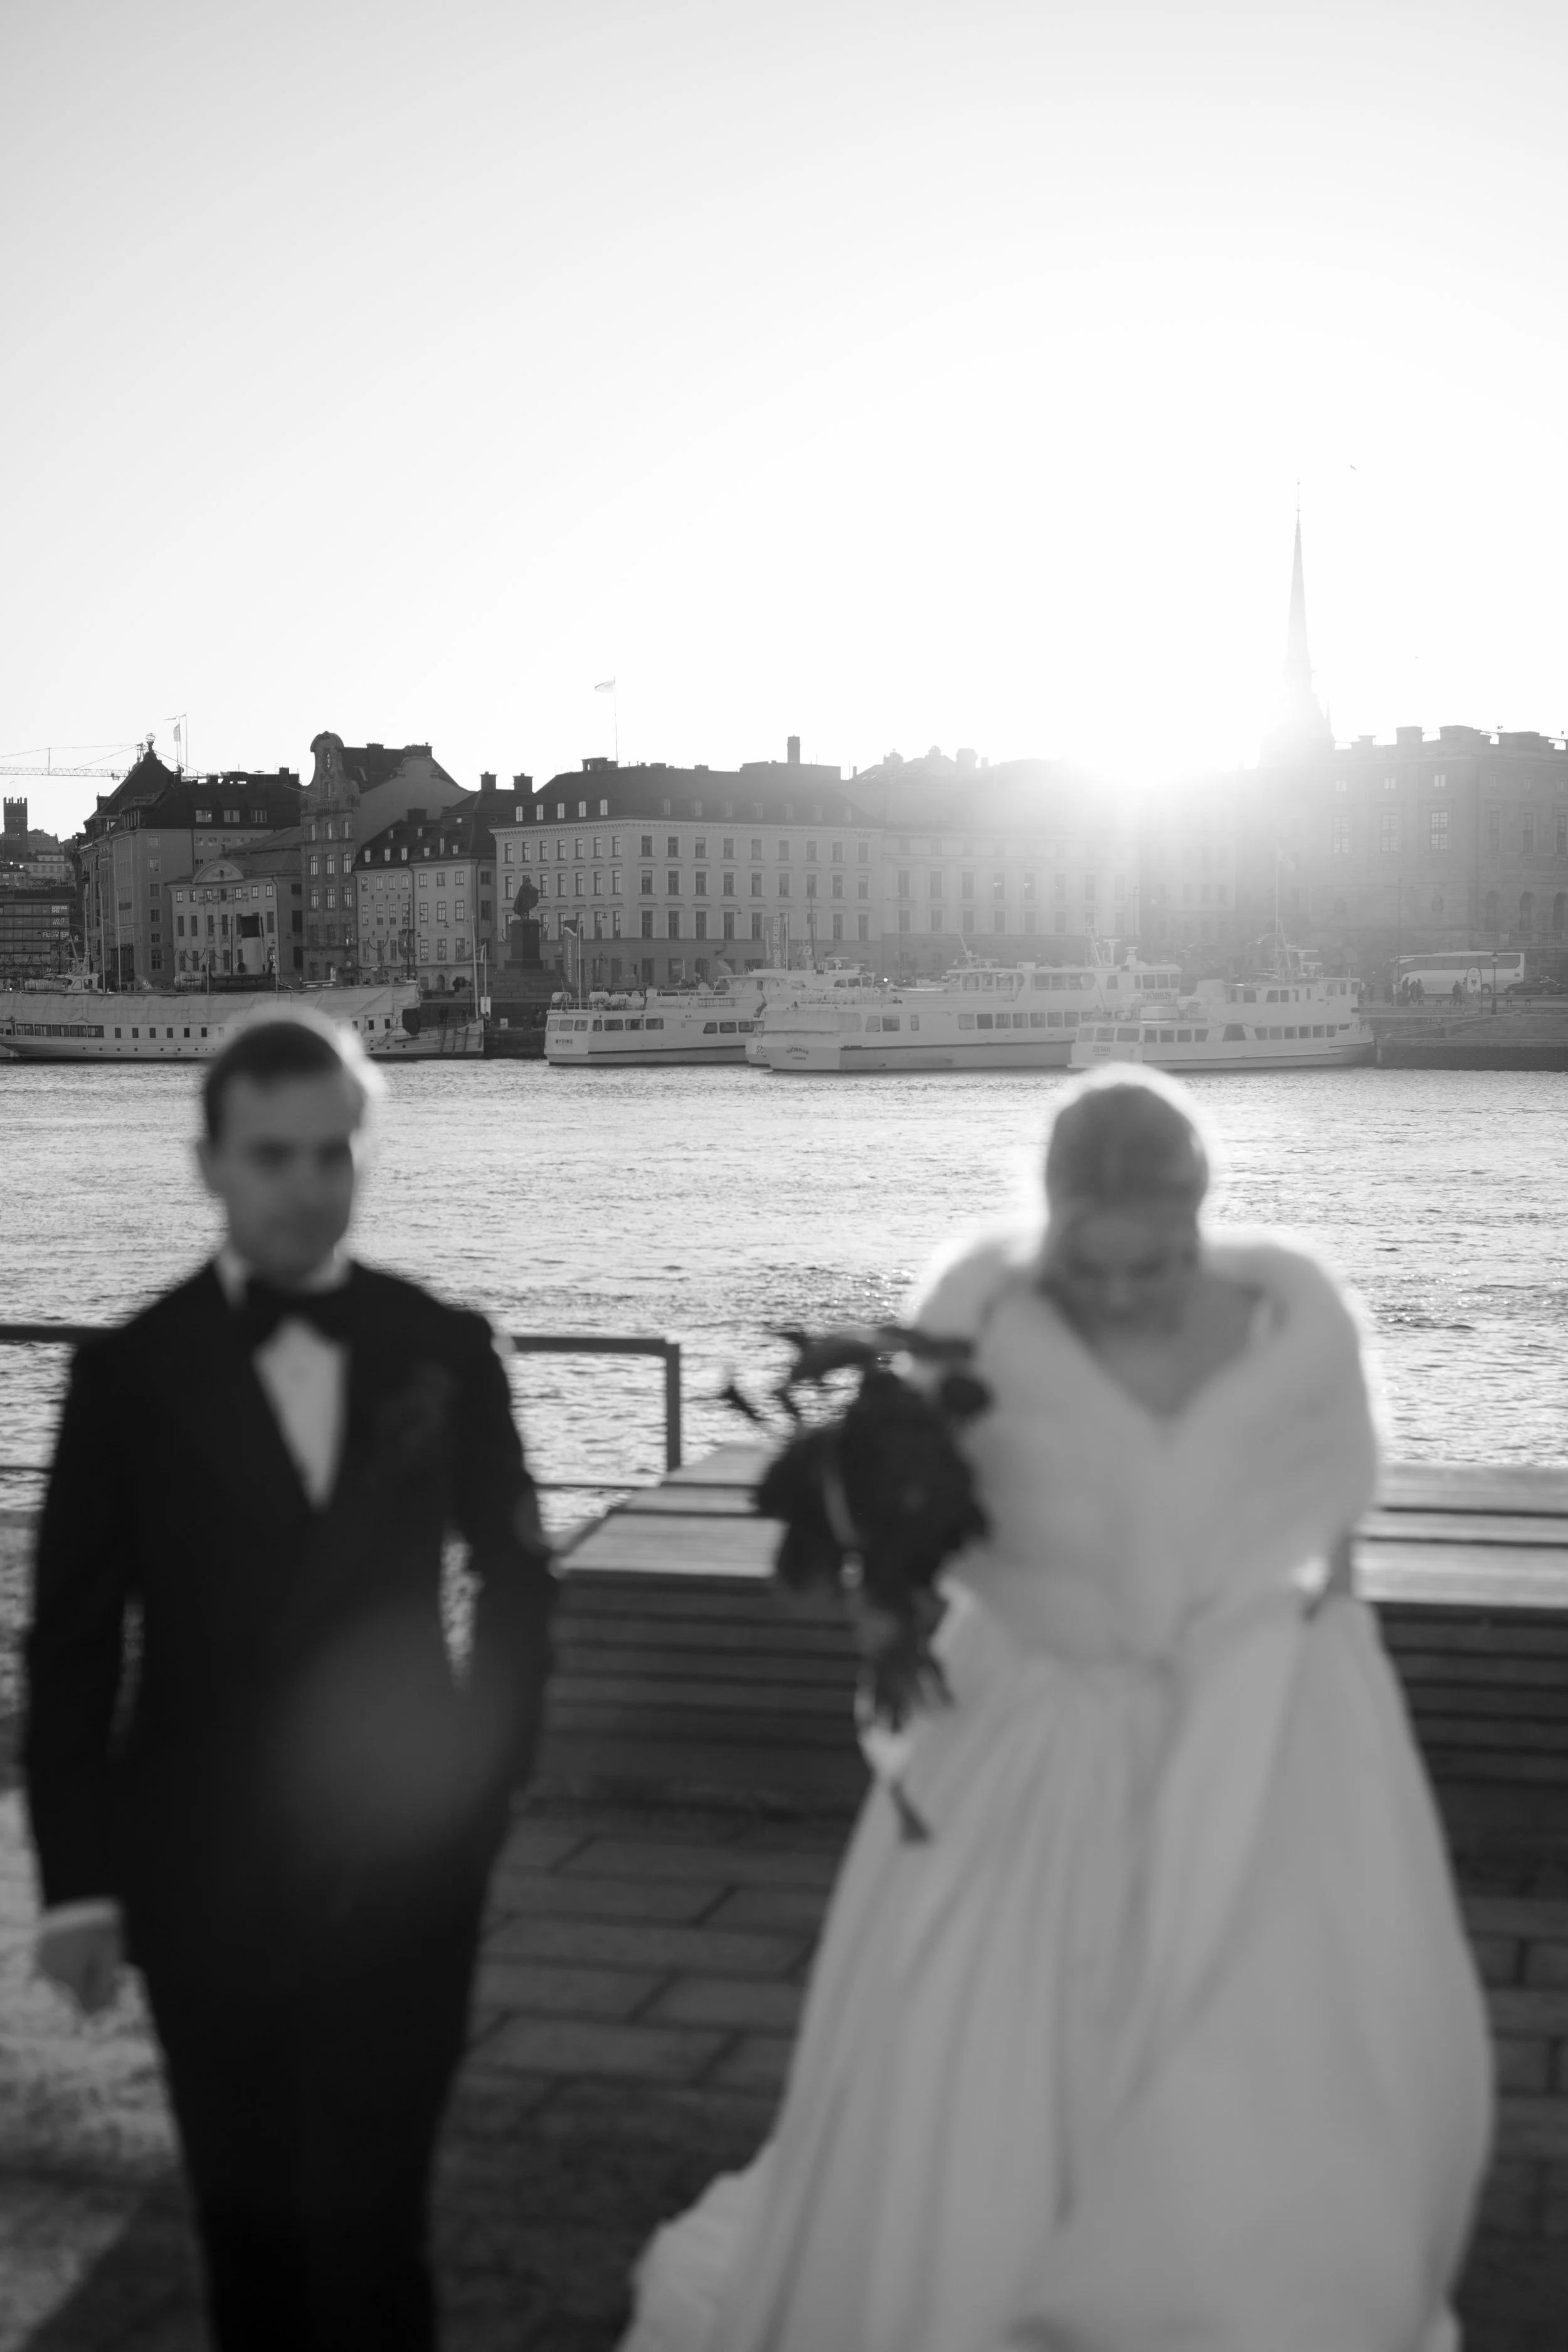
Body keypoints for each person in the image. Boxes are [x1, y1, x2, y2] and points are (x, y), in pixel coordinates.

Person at [618, 1066, 1493, 2351]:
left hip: (1259, 1719)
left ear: (1203, 1217)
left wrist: (1316, 1673)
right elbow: (903, 1525)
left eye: (1160, 1265)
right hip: (1033, 1720)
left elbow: (1329, 1530)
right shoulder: (974, 1321)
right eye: (1096, 1270)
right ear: (1049, 1221)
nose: (1129, 1296)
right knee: (984, 2048)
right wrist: (886, 1599)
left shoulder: (1291, 1326)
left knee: (1271, 2045)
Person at [24, 1009, 557, 2352]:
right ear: (209, 1165)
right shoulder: (126, 1376)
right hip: (200, 1858)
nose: (306, 1187)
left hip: (405, 1857)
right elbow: (76, 1638)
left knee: (380, 2226)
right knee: (246, 2231)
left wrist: (483, 1787)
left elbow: (515, 1578)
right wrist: (79, 1883)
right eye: (273, 1156)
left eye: (332, 1155)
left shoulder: (445, 1346)